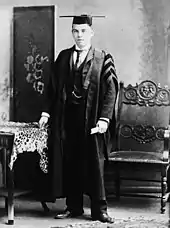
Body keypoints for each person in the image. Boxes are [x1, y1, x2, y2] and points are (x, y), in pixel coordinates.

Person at [39, 14, 118, 223]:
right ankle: (73, 207)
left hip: (92, 120)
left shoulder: (103, 58)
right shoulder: (64, 57)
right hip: (67, 120)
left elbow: (111, 92)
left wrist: (104, 120)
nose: (79, 35)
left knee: (94, 164)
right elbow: (52, 88)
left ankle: (99, 210)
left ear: (91, 33)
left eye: (83, 31)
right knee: (70, 162)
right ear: (72, 33)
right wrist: (46, 112)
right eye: (75, 31)